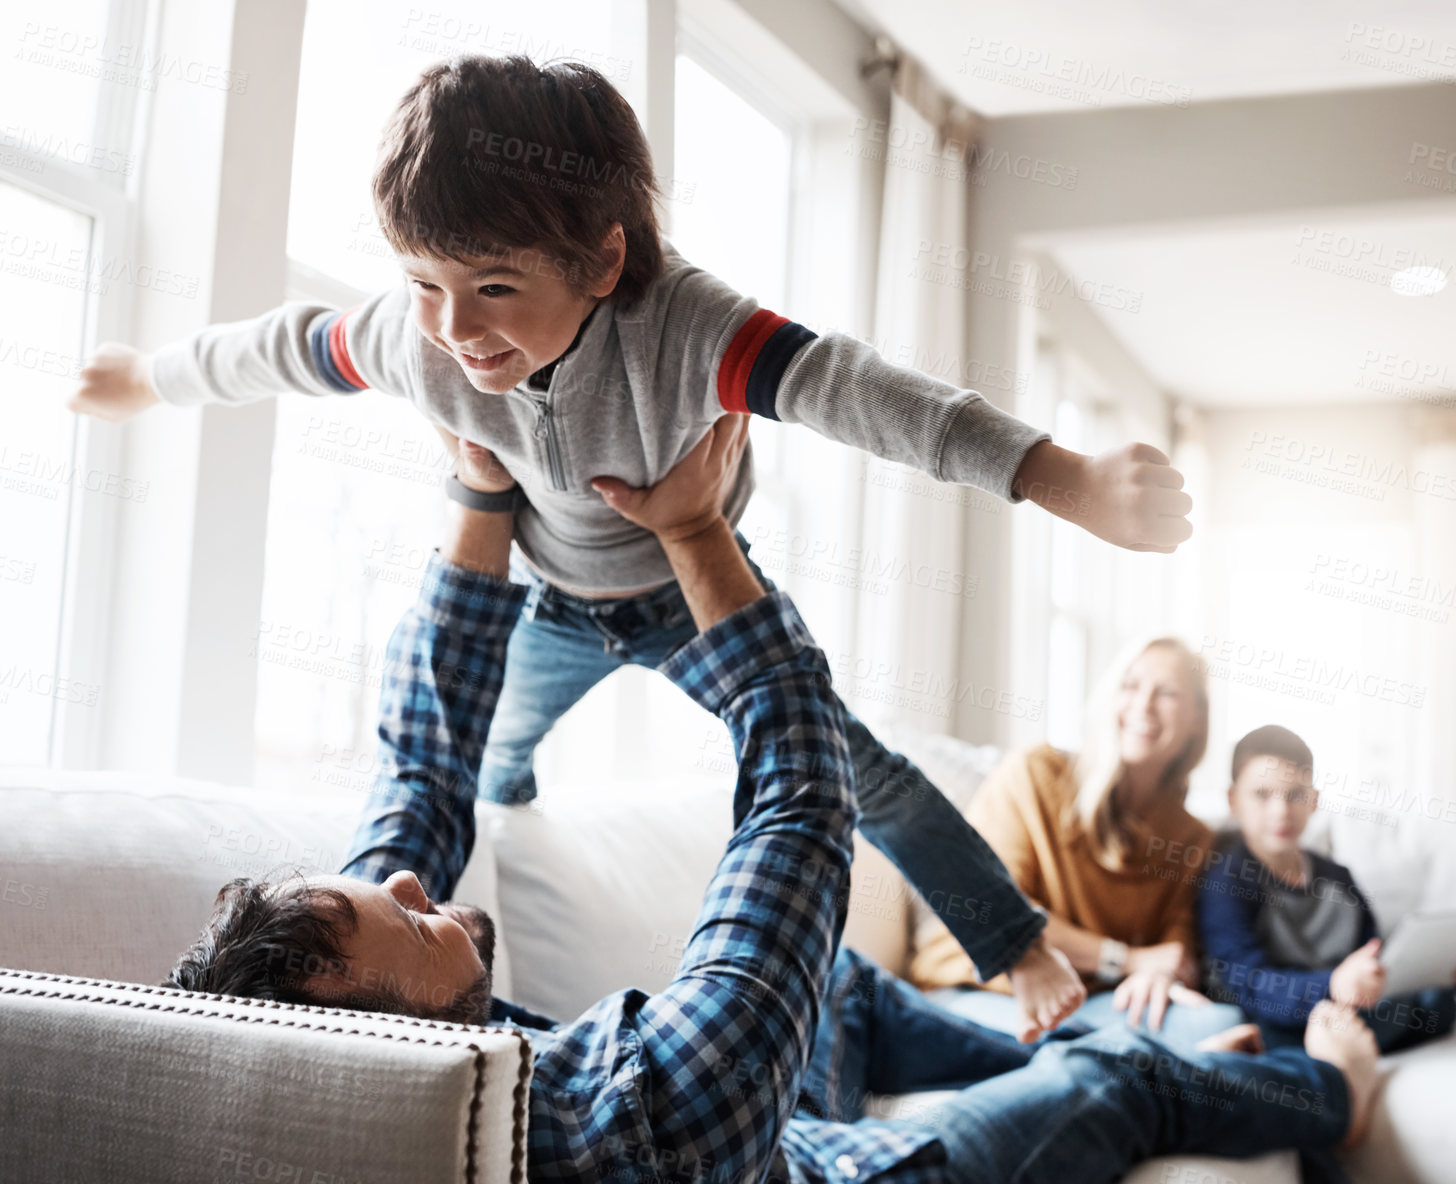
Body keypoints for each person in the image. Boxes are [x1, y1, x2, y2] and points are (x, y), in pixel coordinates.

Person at [69, 53, 1205, 1039]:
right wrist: (146, 377)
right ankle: (506, 822)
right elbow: (277, 348)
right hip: (546, 598)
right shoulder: (414, 337)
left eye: (495, 287)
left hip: (684, 591)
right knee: (485, 766)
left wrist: (1061, 476)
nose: (455, 329)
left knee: (862, 771)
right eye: (424, 283)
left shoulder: (687, 329)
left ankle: (1019, 948)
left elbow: (870, 394)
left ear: (604, 263)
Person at [166, 424, 1381, 1183]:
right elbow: (802, 801)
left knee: (846, 989)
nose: (407, 882)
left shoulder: (353, 1047)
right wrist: (697, 537)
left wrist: (482, 490)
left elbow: (420, 770)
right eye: (394, 915)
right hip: (823, 1166)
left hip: (776, 1120)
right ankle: (1331, 1087)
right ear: (374, 1028)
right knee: (1112, 1077)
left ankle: (1140, 1038)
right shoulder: (631, 1120)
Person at [908, 638, 1246, 1050]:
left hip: (1085, 1005)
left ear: (1197, 717)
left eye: (1167, 693)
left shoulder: (1192, 838)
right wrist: (1128, 960)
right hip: (980, 991)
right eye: (1130, 685)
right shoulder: (1034, 775)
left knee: (1218, 1025)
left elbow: (1176, 946)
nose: (1143, 705)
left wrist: (1158, 974)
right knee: (1126, 1053)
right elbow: (995, 908)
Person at [1197, 725, 1456, 1053]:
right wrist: (1333, 985)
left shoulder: (1338, 877)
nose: (1281, 810)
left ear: (1314, 800)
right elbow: (1248, 983)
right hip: (1280, 1018)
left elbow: (1374, 956)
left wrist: (1447, 972)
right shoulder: (1228, 881)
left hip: (1351, 1010)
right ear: (1232, 801)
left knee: (1440, 1004)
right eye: (1262, 795)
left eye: (1295, 795)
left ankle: (1359, 1037)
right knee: (1264, 1029)